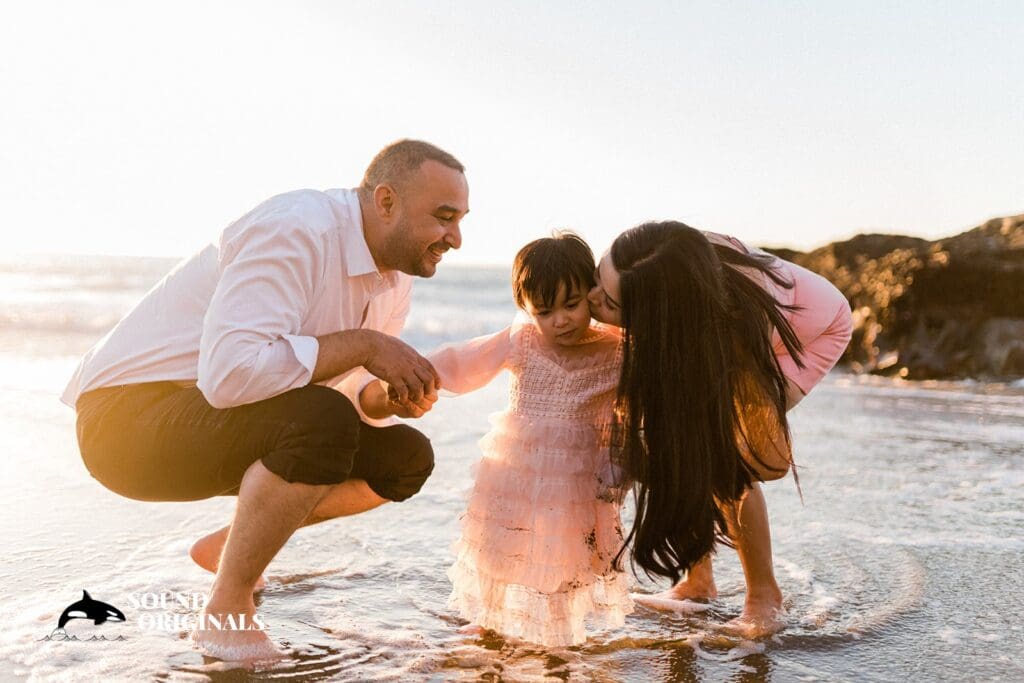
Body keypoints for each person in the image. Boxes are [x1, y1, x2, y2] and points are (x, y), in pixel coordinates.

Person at [61, 139, 469, 660]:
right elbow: (231, 376)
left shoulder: (392, 280)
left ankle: (227, 549)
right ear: (386, 201)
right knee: (320, 422)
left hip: (223, 421)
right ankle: (226, 610)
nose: (455, 237)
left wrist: (390, 398)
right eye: (443, 217)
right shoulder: (297, 227)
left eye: (460, 220)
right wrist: (368, 345)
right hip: (125, 425)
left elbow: (345, 398)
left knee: (406, 458)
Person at [365, 232, 634, 646]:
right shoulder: (522, 340)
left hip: (578, 482)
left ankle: (558, 640)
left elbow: (634, 414)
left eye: (572, 304)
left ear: (593, 294)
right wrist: (411, 376)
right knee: (503, 552)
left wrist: (621, 465)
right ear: (525, 309)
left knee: (563, 558)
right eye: (544, 311)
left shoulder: (616, 351)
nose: (560, 320)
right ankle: (491, 626)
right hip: (514, 476)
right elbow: (461, 360)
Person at [587, 221, 853, 638]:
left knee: (723, 460)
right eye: (596, 280)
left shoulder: (735, 331)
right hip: (712, 323)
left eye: (607, 301)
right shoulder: (655, 258)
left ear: (657, 318)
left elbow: (771, 464)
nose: (591, 300)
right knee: (675, 438)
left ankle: (764, 598)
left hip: (808, 330)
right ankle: (698, 582)